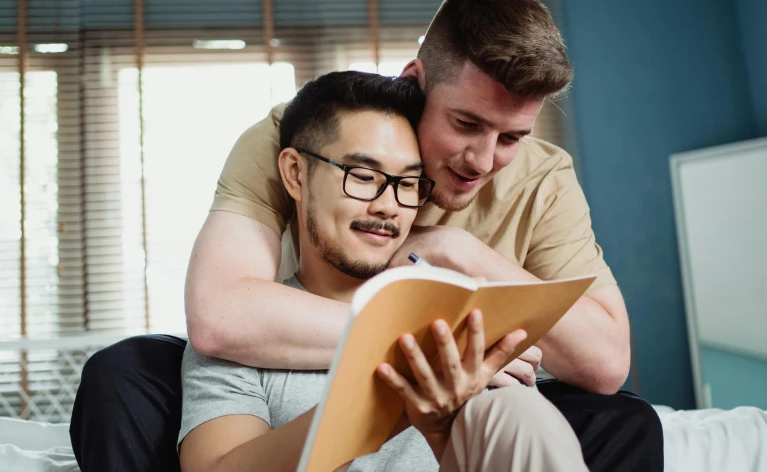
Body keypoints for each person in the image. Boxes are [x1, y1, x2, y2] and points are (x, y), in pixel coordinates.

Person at [70, 0, 663, 472]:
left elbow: (606, 364)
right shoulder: (303, 133)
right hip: (296, 342)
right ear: (416, 80)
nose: (483, 160)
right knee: (124, 373)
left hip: (474, 368)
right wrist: (416, 350)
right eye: (464, 123)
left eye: (510, 138)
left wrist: (457, 251)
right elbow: (220, 318)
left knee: (623, 421)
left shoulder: (540, 177)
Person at [179, 69, 589, 472]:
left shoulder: (463, 328)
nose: (388, 206)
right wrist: (402, 388)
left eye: (408, 184)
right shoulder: (240, 342)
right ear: (295, 173)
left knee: (515, 408)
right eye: (363, 176)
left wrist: (443, 419)